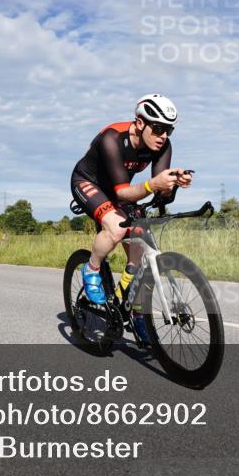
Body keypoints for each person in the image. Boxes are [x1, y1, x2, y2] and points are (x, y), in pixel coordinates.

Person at [70, 94, 193, 339]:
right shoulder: (112, 138)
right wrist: (153, 184)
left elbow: (161, 194)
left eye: (168, 130)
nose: (163, 135)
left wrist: (173, 184)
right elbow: (124, 193)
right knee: (116, 228)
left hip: (121, 189)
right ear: (139, 123)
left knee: (141, 238)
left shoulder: (163, 145)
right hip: (88, 182)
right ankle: (91, 269)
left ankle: (136, 311)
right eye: (157, 128)